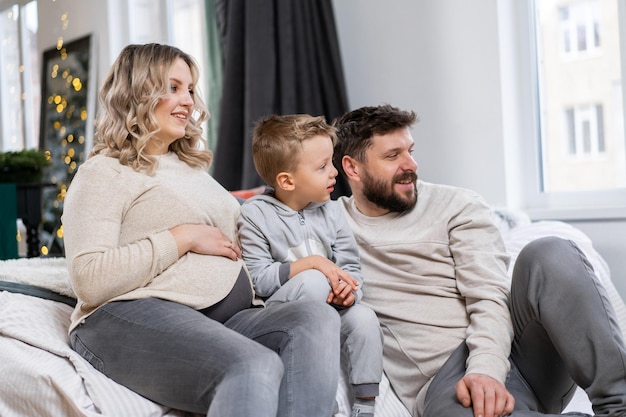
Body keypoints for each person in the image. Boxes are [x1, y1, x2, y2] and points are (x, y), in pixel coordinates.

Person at [61, 43, 341, 417]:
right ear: (137, 92)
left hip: (221, 317)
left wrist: (309, 261)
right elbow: (89, 278)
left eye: (190, 89)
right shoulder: (103, 172)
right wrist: (182, 237)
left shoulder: (193, 170)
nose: (187, 101)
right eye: (173, 87)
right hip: (129, 316)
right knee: (253, 364)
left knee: (314, 318)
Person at [331, 103, 626, 417]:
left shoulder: (457, 204)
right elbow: (278, 246)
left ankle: (618, 406)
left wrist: (485, 369)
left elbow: (488, 293)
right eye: (393, 156)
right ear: (352, 168)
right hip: (444, 381)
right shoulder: (330, 225)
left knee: (550, 252)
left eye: (411, 151)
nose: (411, 165)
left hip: (516, 352)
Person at [237, 114, 384, 417]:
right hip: (283, 311)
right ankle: (316, 393)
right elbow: (258, 280)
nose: (334, 172)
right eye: (322, 167)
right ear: (287, 181)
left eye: (330, 162)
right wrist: (313, 264)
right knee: (315, 280)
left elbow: (351, 268)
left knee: (365, 318)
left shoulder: (331, 212)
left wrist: (349, 292)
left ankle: (365, 406)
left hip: (331, 308)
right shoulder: (255, 216)